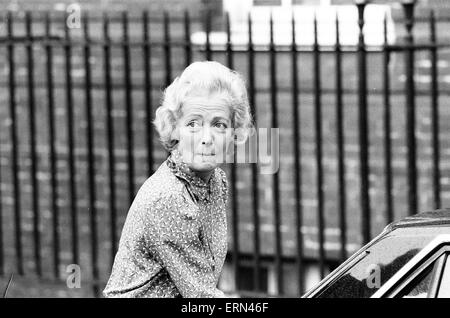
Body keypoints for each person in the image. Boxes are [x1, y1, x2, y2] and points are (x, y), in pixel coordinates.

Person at [103, 61, 253, 297]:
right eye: (193, 124)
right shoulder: (169, 198)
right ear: (174, 129)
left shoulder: (216, 182)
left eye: (219, 125)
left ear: (234, 133)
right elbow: (201, 297)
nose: (206, 138)